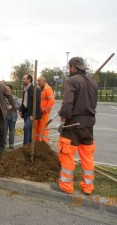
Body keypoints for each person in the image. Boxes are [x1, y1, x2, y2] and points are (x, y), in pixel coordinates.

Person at [51, 57, 98, 195]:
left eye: (68, 67)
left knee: (66, 154)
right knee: (87, 157)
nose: (68, 70)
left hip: (73, 124)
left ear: (73, 67)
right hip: (89, 125)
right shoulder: (93, 83)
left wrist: (62, 121)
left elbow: (67, 103)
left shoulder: (71, 80)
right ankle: (88, 187)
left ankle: (66, 186)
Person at [18, 74, 42, 145]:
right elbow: (24, 101)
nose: (22, 80)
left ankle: (25, 146)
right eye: (22, 78)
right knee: (29, 130)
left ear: (29, 80)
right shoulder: (25, 89)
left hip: (31, 114)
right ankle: (30, 145)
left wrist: (32, 114)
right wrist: (21, 110)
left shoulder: (35, 90)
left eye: (24, 79)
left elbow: (37, 103)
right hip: (26, 113)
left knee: (26, 128)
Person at [35, 76, 55, 143]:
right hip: (38, 112)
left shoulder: (48, 89)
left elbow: (51, 100)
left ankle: (44, 143)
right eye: (37, 81)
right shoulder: (40, 89)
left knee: (43, 128)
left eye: (39, 81)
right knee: (37, 128)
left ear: (43, 81)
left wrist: (45, 110)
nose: (38, 83)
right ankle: (37, 142)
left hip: (43, 113)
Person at [4, 84, 20, 149]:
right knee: (4, 131)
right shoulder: (3, 98)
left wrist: (12, 106)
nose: (7, 90)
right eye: (5, 89)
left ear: (11, 90)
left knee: (12, 131)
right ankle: (4, 143)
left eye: (8, 88)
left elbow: (18, 106)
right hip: (5, 117)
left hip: (13, 117)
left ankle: (11, 143)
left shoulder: (15, 98)